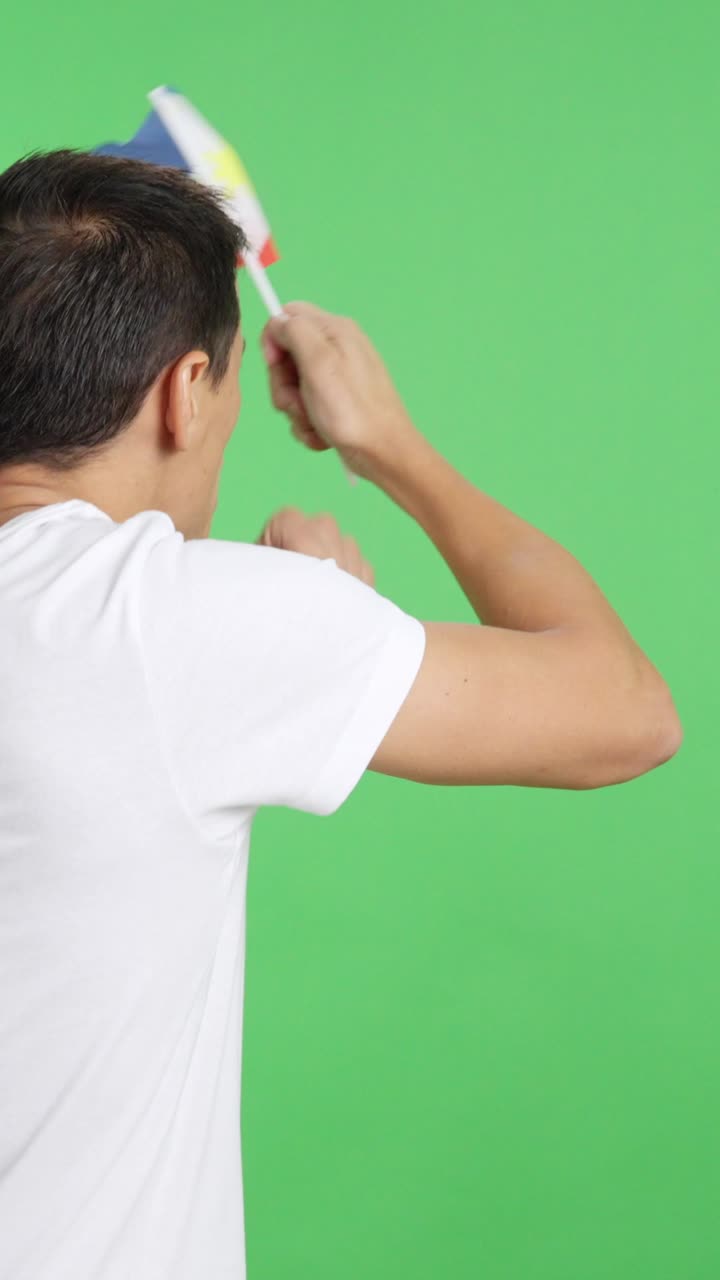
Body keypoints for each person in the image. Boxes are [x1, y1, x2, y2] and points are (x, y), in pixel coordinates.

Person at [0, 148, 682, 1280]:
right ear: (184, 393)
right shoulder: (177, 624)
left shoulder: (191, 631)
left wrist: (298, 632)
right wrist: (390, 451)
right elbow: (625, 710)